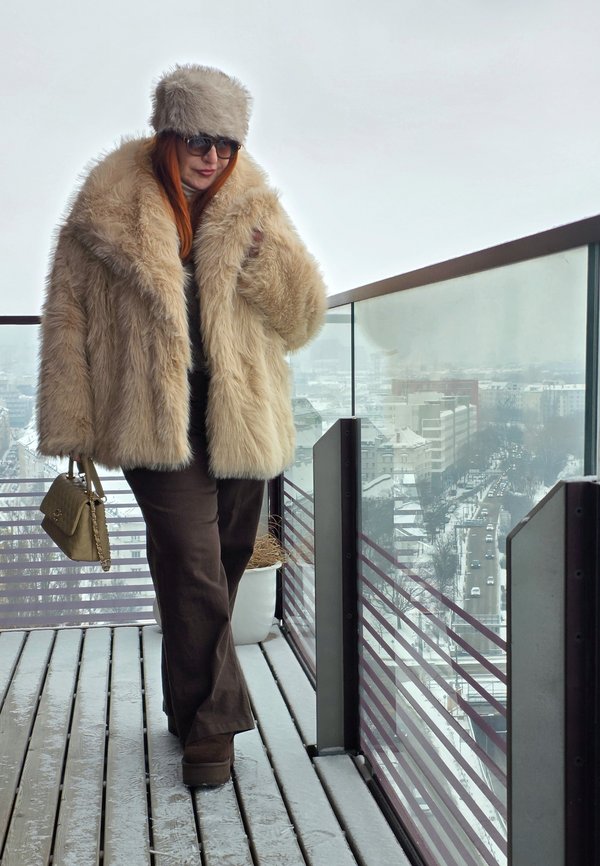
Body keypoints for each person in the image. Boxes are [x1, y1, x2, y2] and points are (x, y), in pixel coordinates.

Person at [37, 64, 327, 786]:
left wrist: (272, 261)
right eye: (199, 139)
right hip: (152, 418)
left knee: (216, 569)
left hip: (241, 415)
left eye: (226, 144)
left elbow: (302, 319)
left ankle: (185, 700)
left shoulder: (254, 206)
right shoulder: (105, 209)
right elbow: (66, 320)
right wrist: (70, 423)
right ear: (168, 134)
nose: (213, 157)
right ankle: (213, 731)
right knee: (193, 567)